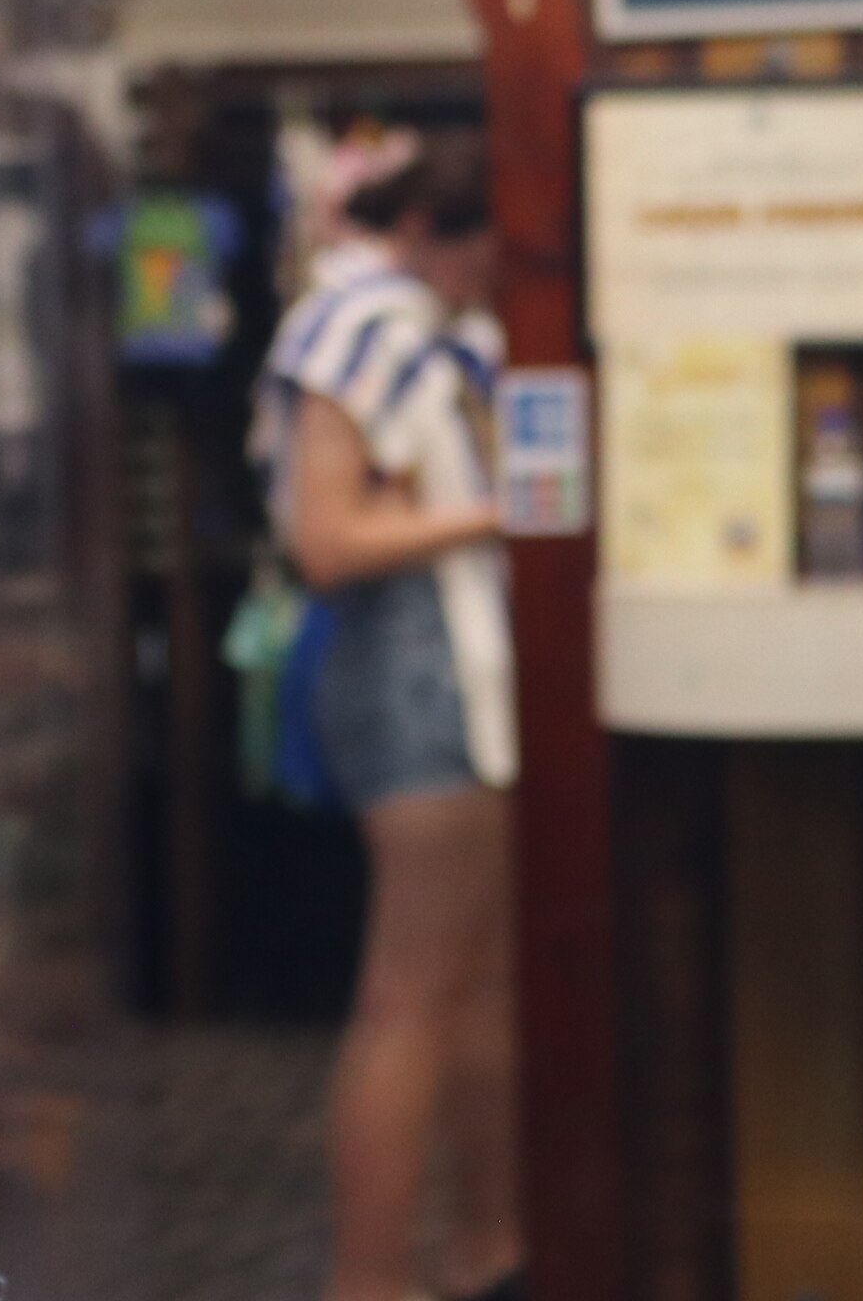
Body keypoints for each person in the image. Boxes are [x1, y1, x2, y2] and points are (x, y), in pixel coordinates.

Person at [257, 134, 521, 1301]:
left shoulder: (419, 326)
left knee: (474, 982)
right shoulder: (367, 322)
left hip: (448, 661)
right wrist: (501, 516)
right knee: (413, 990)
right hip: (419, 661)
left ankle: (489, 1246)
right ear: (434, 235)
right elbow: (327, 538)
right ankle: (370, 1277)